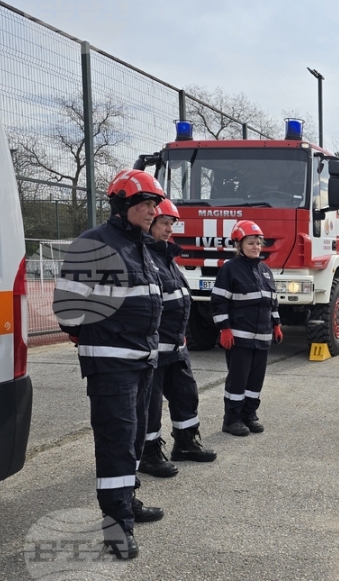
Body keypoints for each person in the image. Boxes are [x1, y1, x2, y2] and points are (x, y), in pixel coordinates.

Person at [53, 169, 166, 559]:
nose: (153, 211)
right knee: (116, 443)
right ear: (123, 204)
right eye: (146, 204)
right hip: (111, 363)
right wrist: (85, 336)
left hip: (141, 361)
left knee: (134, 441)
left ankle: (127, 501)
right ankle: (117, 528)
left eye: (155, 204)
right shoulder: (95, 244)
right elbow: (68, 307)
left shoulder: (143, 248)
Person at [139, 200, 216, 478]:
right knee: (150, 404)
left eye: (173, 224)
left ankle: (185, 443)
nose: (170, 229)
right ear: (150, 225)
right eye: (164, 223)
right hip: (155, 350)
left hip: (176, 348)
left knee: (186, 395)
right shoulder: (145, 256)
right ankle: (148, 453)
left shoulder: (167, 258)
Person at [211, 220, 283, 436]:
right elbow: (219, 301)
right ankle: (231, 420)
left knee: (255, 381)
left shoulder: (265, 270)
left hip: (262, 337)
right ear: (239, 245)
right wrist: (224, 328)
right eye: (251, 242)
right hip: (239, 337)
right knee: (238, 380)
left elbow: (272, 301)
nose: (255, 247)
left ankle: (249, 415)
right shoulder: (230, 269)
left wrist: (277, 324)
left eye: (258, 243)